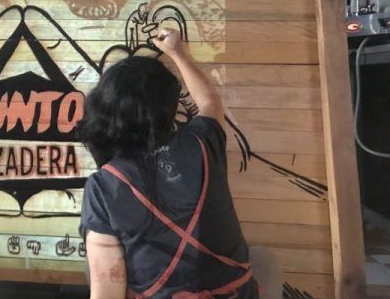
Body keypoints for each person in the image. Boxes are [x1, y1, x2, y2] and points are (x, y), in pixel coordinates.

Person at [77, 28, 273, 299]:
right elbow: (209, 101)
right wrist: (178, 52)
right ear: (168, 109)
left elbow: (107, 293)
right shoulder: (201, 143)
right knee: (264, 261)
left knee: (92, 267)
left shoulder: (103, 185)